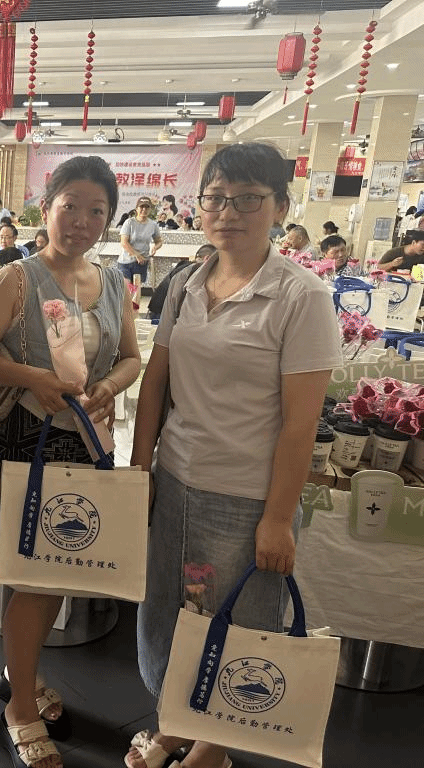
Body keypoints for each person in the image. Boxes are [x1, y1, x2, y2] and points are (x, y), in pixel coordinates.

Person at [127, 142, 341, 768]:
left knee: (235, 620)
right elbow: (157, 384)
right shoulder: (186, 284)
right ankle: (175, 722)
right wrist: (140, 470)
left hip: (246, 496)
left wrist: (277, 518)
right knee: (170, 612)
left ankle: (213, 746)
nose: (229, 212)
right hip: (175, 478)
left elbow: (301, 425)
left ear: (280, 207)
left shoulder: (301, 296)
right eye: (216, 198)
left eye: (248, 199)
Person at [0, 155, 141, 768]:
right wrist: (33, 377)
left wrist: (110, 386)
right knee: (35, 579)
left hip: (89, 442)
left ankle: (19, 676)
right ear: (47, 208)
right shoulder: (17, 278)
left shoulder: (113, 282)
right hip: (29, 439)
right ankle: (20, 707)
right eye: (71, 206)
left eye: (97, 210)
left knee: (58, 571)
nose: (82, 221)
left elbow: (131, 357)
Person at [146, 244, 216, 321]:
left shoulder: (185, 266)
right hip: (162, 314)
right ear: (207, 259)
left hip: (158, 309)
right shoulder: (192, 272)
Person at [118, 195, 163, 286]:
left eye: (147, 207)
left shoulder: (153, 225)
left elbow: (159, 241)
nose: (144, 209)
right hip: (125, 262)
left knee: (136, 290)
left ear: (150, 209)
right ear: (136, 209)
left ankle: (135, 296)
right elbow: (124, 242)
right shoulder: (129, 222)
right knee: (125, 288)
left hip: (141, 262)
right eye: (141, 207)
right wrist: (136, 255)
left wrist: (155, 247)